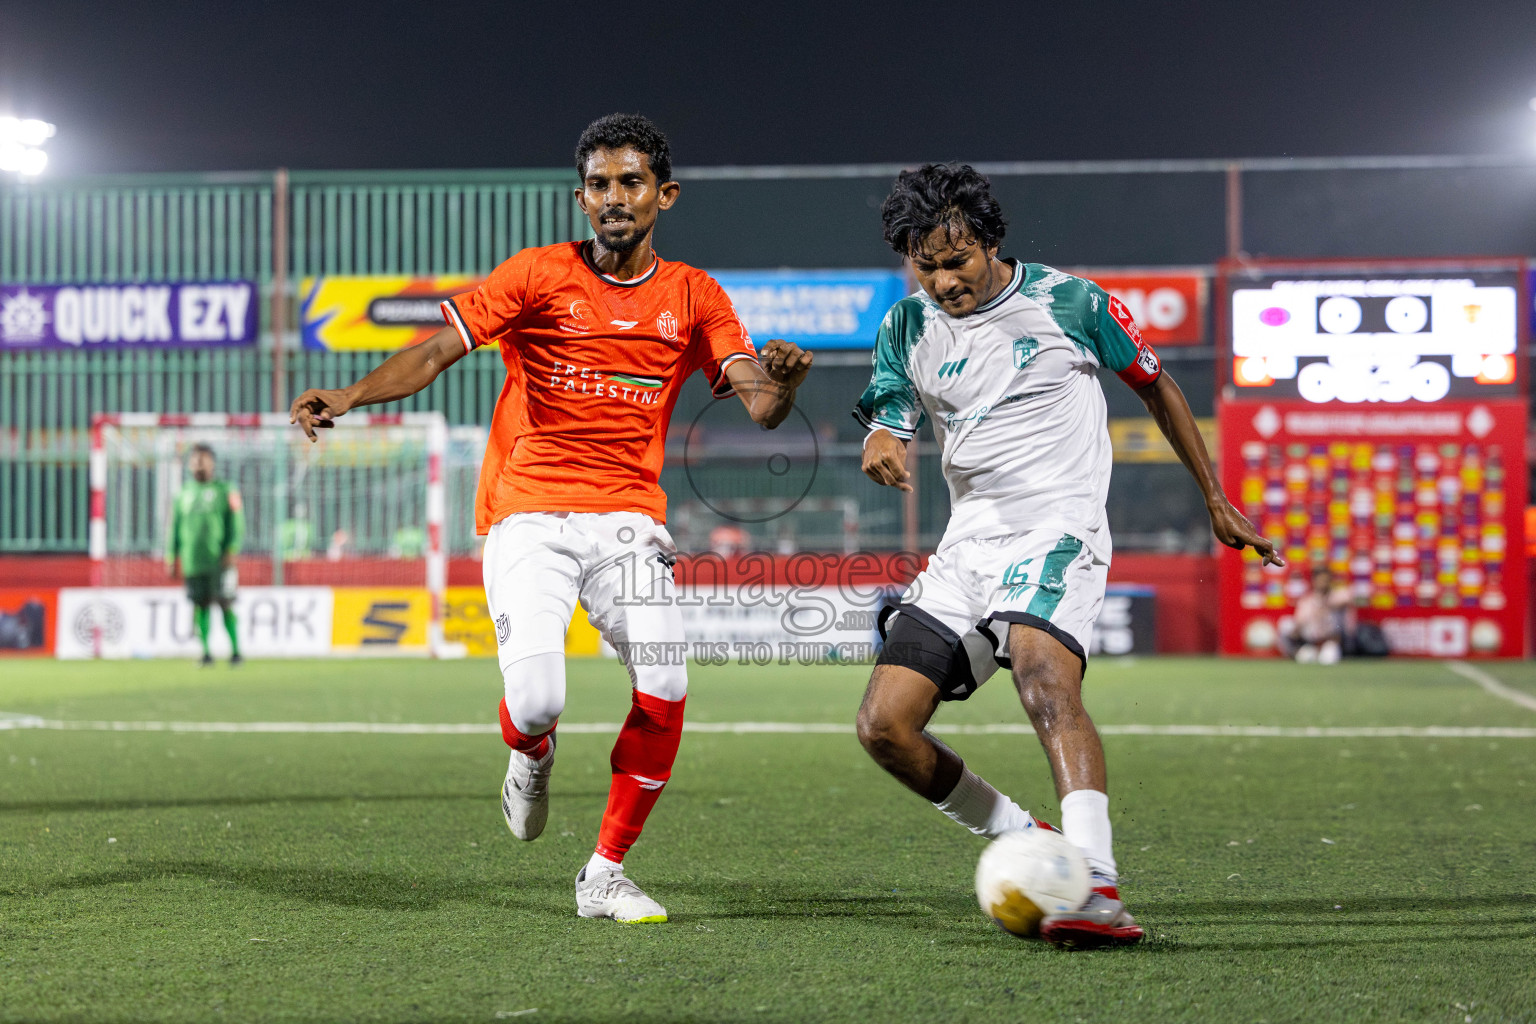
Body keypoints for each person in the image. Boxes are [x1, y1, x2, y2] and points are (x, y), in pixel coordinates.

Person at [290, 113, 813, 924]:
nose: (614, 198)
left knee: (668, 677)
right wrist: (349, 396)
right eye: (599, 185)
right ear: (581, 198)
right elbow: (434, 352)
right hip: (528, 510)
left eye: (631, 182)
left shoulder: (695, 295)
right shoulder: (537, 275)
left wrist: (783, 382)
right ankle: (529, 755)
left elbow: (760, 402)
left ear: (663, 195)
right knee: (536, 702)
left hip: (629, 519)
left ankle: (604, 872)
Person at [853, 163, 1282, 948]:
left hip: (1058, 527)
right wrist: (881, 435)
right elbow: (892, 403)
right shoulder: (905, 326)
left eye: (959, 260)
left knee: (1042, 673)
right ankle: (1027, 839)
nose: (945, 281)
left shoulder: (1071, 302)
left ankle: (1097, 884)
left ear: (989, 241)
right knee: (885, 727)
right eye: (927, 265)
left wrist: (1215, 497)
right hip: (967, 546)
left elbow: (1158, 388)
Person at [165, 444, 245, 667]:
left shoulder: (226, 489)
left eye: (203, 459)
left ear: (213, 462)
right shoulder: (182, 494)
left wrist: (232, 549)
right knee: (200, 605)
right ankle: (206, 653)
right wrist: (171, 557)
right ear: (189, 464)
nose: (199, 463)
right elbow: (174, 528)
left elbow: (236, 524)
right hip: (193, 561)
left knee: (226, 603)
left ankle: (236, 652)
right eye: (195, 459)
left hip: (220, 561)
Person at [1279, 567, 1354, 664]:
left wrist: (1326, 604)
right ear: (1314, 581)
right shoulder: (1307, 601)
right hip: (1311, 641)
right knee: (1286, 624)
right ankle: (1299, 652)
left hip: (1332, 641)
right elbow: (1299, 624)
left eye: (1326, 580)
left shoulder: (1338, 595)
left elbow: (1346, 599)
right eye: (1320, 580)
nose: (1323, 583)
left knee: (1328, 659)